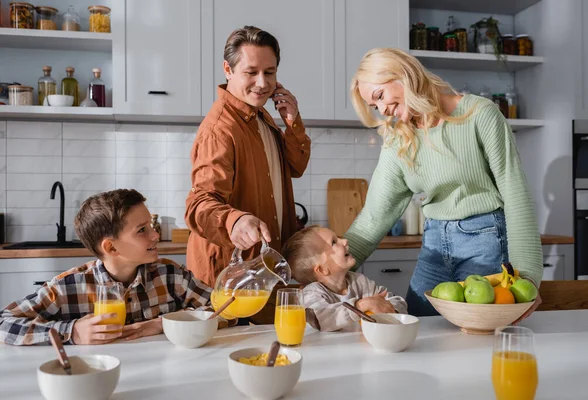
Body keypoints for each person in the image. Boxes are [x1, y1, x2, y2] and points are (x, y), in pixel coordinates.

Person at [344, 48, 543, 318]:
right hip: (435, 246)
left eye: (379, 96)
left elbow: (515, 191)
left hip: (485, 241)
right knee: (417, 328)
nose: (382, 110)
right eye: (374, 106)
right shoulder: (398, 138)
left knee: (477, 338)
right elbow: (375, 216)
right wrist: (331, 267)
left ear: (402, 74)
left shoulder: (479, 114)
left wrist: (528, 276)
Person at [0, 189, 213, 346]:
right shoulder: (67, 288)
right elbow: (4, 323)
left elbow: (224, 309)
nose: (156, 235)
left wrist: (163, 323)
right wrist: (71, 331)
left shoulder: (170, 275)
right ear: (111, 247)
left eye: (150, 226)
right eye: (142, 230)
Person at [185, 25, 310, 287]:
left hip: (263, 270)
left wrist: (293, 124)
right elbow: (199, 206)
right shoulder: (220, 129)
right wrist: (234, 220)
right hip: (231, 278)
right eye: (251, 72)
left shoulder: (262, 116)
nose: (263, 83)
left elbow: (296, 168)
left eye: (270, 72)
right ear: (228, 70)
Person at [282, 225, 407, 332]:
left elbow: (398, 302)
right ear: (322, 269)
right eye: (334, 242)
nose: (345, 241)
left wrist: (391, 310)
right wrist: (360, 306)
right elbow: (320, 318)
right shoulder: (311, 293)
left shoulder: (360, 282)